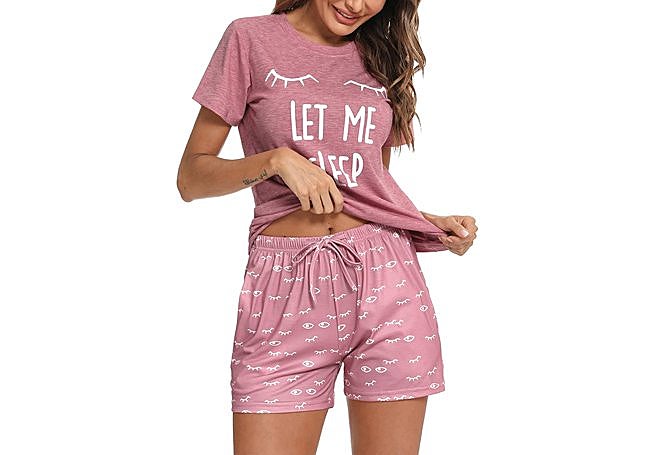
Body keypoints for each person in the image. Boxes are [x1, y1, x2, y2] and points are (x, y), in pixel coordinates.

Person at [177, 0, 478, 453]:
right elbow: (191, 179)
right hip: (286, 288)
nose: (357, 4)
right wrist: (275, 161)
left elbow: (369, 187)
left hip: (387, 281)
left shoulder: (384, 56)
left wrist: (426, 223)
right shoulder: (250, 39)